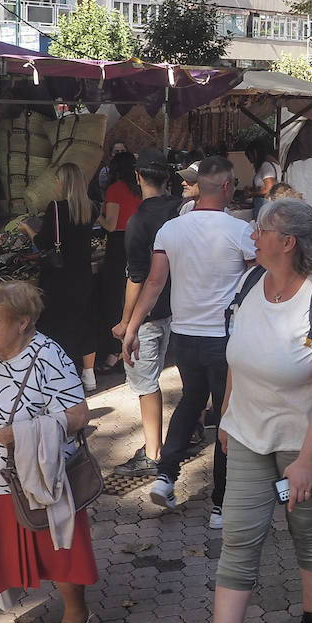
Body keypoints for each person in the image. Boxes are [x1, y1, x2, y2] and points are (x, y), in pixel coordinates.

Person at [209, 199, 312, 623]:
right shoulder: (251, 280)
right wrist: (226, 416)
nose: (252, 237)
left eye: (260, 230)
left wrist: (308, 461)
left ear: (287, 242)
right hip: (249, 432)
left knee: (307, 529)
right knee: (238, 536)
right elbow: (238, 353)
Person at [0, 281, 98, 623]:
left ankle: (77, 619)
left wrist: (26, 432)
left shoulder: (49, 355)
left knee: (58, 550)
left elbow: (79, 414)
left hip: (39, 474)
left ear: (23, 322)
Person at [122, 156, 257, 529]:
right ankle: (220, 506)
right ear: (228, 187)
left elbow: (153, 283)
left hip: (184, 337)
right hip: (225, 339)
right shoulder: (240, 231)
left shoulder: (171, 230)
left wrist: (131, 327)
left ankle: (165, 476)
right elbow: (257, 284)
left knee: (190, 402)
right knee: (229, 417)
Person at [110, 157, 182, 478]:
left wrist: (127, 322)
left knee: (146, 383)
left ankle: (153, 453)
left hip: (151, 313)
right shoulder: (181, 209)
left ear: (138, 176)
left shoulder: (139, 220)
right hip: (181, 308)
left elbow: (137, 277)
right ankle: (182, 435)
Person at [24, 163, 99, 391]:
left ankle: (60, 376)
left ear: (63, 183)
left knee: (56, 325)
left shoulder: (56, 208)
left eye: (57, 180)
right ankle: (89, 375)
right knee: (83, 322)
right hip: (83, 275)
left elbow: (44, 243)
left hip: (59, 276)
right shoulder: (91, 208)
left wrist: (27, 229)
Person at [97, 151, 144, 373]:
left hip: (118, 245)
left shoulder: (115, 190)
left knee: (113, 298)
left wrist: (96, 212)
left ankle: (114, 352)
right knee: (132, 296)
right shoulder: (138, 190)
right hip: (136, 243)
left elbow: (111, 224)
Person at [244, 139, 279, 211]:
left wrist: (252, 194)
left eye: (249, 156)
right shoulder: (269, 164)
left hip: (265, 206)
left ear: (255, 152)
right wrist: (253, 188)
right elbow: (264, 186)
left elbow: (269, 189)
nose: (250, 160)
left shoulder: (266, 166)